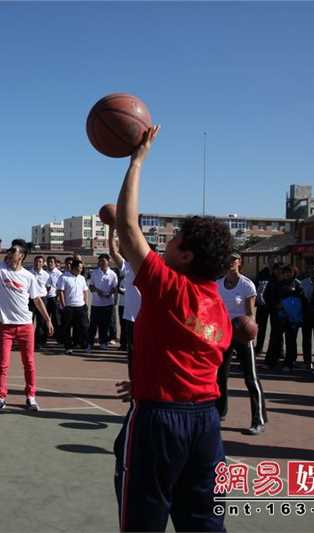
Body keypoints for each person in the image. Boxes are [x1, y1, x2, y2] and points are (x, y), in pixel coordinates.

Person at [111, 125, 233, 532]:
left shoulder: (170, 287)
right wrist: (150, 375)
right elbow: (191, 358)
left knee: (143, 519)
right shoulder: (217, 306)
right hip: (206, 421)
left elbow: (129, 228)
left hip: (161, 422)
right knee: (203, 521)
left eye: (173, 238)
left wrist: (137, 160)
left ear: (184, 254)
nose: (165, 242)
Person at [0, 241, 54, 412]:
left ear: (21, 256)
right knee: (2, 365)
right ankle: (0, 398)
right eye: (10, 249)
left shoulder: (28, 277)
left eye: (13, 250)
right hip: (6, 327)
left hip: (26, 326)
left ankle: (30, 397)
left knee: (29, 363)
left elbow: (36, 300)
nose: (9, 252)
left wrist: (48, 319)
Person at [216, 253, 267, 435]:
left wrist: (249, 333)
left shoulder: (246, 285)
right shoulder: (218, 285)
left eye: (234, 259)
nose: (230, 262)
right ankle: (220, 412)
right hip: (224, 334)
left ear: (239, 263)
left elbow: (250, 314)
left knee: (250, 377)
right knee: (220, 375)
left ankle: (258, 419)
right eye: (228, 259)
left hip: (242, 335)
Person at [263, 264, 305, 371]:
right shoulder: (278, 284)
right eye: (285, 272)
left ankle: (289, 363)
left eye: (289, 272)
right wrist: (276, 305)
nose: (287, 274)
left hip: (292, 317)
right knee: (275, 339)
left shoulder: (298, 285)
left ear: (294, 273)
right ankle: (271, 361)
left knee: (290, 340)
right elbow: (271, 297)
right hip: (279, 315)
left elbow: (301, 300)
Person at [57, 259, 89, 355]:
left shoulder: (82, 278)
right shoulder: (64, 277)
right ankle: (68, 347)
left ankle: (83, 344)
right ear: (74, 267)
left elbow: (85, 291)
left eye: (82, 267)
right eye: (79, 267)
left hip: (81, 306)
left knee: (84, 326)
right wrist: (64, 305)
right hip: (69, 307)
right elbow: (61, 292)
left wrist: (85, 303)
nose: (81, 269)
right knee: (67, 328)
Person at [88, 253, 118, 350]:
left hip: (108, 303)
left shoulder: (113, 274)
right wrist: (97, 290)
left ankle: (103, 342)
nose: (101, 263)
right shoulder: (94, 273)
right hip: (96, 304)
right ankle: (90, 343)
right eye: (100, 261)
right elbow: (91, 286)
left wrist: (110, 293)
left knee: (105, 325)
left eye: (104, 261)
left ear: (109, 262)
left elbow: (115, 288)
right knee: (93, 324)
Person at [28, 255, 50, 350]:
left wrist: (42, 295)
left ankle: (38, 343)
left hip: (42, 299)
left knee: (41, 323)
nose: (38, 263)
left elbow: (48, 287)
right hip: (30, 300)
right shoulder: (28, 273)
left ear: (43, 263)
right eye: (36, 261)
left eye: (40, 262)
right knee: (29, 322)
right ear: (34, 262)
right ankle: (28, 343)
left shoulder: (46, 275)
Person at [300, 266, 314, 370]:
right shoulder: (303, 283)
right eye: (312, 271)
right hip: (306, 313)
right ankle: (307, 361)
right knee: (306, 338)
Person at [253, 266, 272, 352]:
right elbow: (255, 287)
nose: (272, 262)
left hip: (274, 305)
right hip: (262, 304)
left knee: (277, 329)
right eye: (270, 260)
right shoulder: (262, 274)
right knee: (261, 327)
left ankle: (278, 350)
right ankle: (259, 347)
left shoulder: (280, 272)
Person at [45, 256, 63, 342]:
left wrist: (59, 297)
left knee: (57, 318)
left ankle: (58, 337)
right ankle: (43, 337)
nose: (50, 263)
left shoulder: (59, 274)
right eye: (48, 262)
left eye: (52, 262)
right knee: (44, 318)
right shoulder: (44, 273)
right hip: (45, 298)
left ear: (55, 263)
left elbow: (61, 288)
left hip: (55, 298)